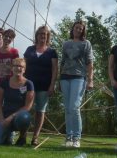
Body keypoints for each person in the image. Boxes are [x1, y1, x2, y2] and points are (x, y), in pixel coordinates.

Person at [60, 20, 94, 148]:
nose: (78, 30)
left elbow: (90, 63)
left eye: (81, 28)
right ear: (73, 29)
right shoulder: (66, 44)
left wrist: (90, 80)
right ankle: (68, 137)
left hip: (79, 77)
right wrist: (59, 79)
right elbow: (62, 62)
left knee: (74, 107)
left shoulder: (86, 43)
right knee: (67, 108)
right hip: (64, 77)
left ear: (83, 30)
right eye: (76, 27)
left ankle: (76, 138)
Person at [0, 58, 34, 146]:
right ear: (12, 68)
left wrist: (10, 118)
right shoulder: (4, 82)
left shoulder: (29, 84)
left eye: (21, 66)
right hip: (4, 116)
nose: (18, 68)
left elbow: (28, 106)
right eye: (15, 65)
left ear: (24, 69)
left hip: (18, 117)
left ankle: (22, 137)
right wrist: (1, 118)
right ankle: (6, 136)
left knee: (25, 117)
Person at [24, 25, 58, 146]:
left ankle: (35, 137)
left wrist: (52, 85)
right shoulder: (29, 49)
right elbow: (24, 65)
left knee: (40, 111)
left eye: (45, 34)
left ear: (48, 36)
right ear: (37, 36)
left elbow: (55, 69)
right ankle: (23, 135)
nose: (43, 36)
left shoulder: (52, 52)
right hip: (29, 85)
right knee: (26, 110)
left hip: (44, 85)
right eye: (41, 34)